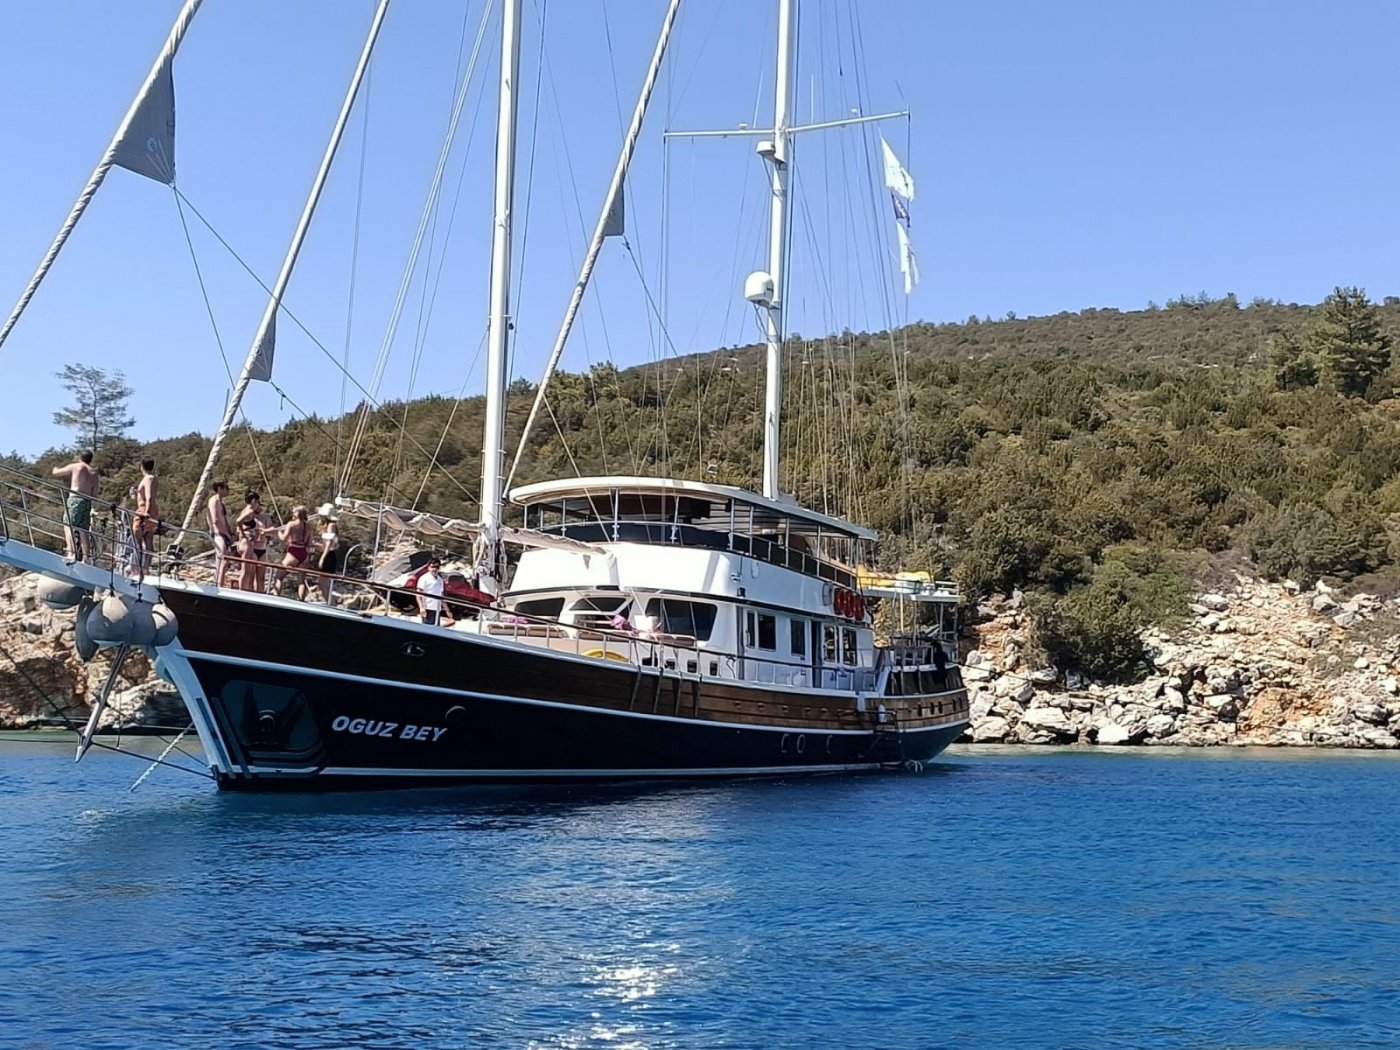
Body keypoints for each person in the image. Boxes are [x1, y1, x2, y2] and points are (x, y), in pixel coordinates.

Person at [51, 450, 98, 563]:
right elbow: (95, 495)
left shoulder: (77, 466)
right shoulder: (94, 473)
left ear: (80, 457)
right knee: (83, 530)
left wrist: (54, 467)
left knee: (68, 525)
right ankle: (86, 558)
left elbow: (56, 473)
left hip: (75, 499)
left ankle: (71, 553)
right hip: (87, 501)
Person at [235, 491, 269, 593]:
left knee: (247, 571)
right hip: (246, 542)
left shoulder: (246, 510)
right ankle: (242, 592)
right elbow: (238, 521)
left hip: (247, 541)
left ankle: (244, 591)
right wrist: (243, 533)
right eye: (258, 502)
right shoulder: (249, 511)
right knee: (246, 571)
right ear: (254, 501)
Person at [277, 505, 313, 600]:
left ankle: (276, 598)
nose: (292, 513)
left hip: (293, 552)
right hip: (304, 553)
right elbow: (310, 543)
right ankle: (301, 601)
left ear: (298, 513)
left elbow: (283, 538)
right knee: (301, 581)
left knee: (278, 577)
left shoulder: (291, 524)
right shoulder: (308, 525)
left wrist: (279, 532)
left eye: (294, 511)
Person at [131, 458, 159, 577]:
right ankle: (144, 568)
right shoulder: (152, 478)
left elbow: (149, 497)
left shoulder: (148, 478)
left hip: (144, 511)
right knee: (148, 540)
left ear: (142, 466)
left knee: (137, 540)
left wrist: (146, 512)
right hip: (151, 511)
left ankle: (138, 569)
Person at [206, 481, 235, 587]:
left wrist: (230, 533)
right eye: (226, 488)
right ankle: (218, 585)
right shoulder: (214, 501)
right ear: (219, 489)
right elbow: (216, 520)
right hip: (219, 533)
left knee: (225, 561)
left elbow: (223, 519)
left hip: (224, 534)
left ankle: (220, 584)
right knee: (221, 559)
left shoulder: (221, 502)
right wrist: (226, 534)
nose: (228, 491)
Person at [314, 503, 342, 603]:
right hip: (329, 554)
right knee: (324, 583)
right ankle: (329, 602)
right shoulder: (330, 525)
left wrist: (322, 558)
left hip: (328, 556)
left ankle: (330, 603)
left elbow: (329, 543)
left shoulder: (331, 525)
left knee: (322, 583)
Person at [417, 557, 451, 626]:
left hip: (437, 609)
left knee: (436, 628)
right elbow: (419, 593)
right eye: (432, 567)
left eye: (437, 567)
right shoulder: (424, 578)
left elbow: (441, 596)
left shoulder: (440, 580)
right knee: (427, 629)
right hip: (427, 608)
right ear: (428, 567)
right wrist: (421, 607)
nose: (434, 569)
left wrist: (447, 610)